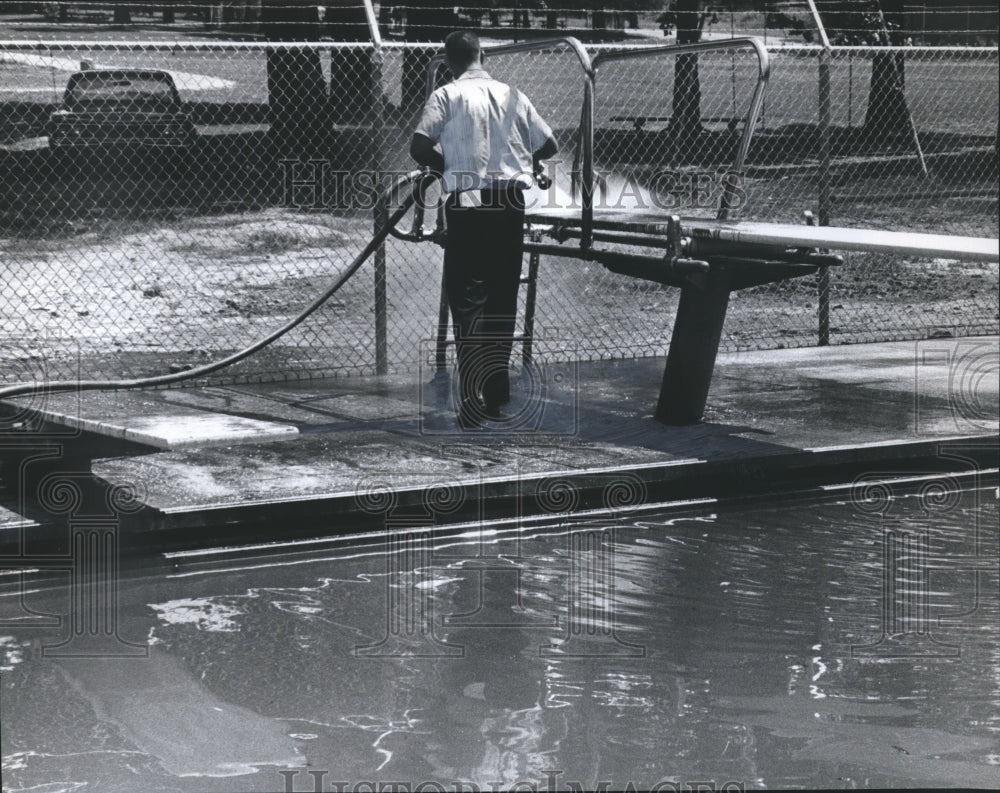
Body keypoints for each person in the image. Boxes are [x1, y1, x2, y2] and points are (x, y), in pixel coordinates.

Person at [410, 30, 558, 429]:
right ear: (482, 54)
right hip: (509, 205)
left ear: (448, 60)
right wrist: (527, 160)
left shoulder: (446, 95)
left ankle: (471, 395)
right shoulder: (513, 94)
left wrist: (448, 167)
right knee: (502, 299)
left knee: (469, 300)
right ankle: (497, 394)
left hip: (468, 203)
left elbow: (420, 147)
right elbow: (549, 145)